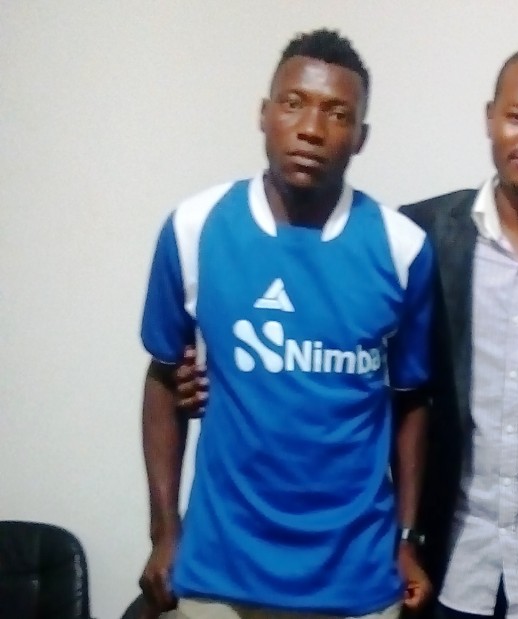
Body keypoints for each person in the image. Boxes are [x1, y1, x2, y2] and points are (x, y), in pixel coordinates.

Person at [177, 41, 518, 619]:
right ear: (489, 117)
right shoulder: (420, 237)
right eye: (517, 116)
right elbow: (351, 355)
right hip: (451, 561)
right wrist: (214, 374)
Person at [137, 29, 433, 619]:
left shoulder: (403, 249)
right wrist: (164, 530)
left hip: (355, 578)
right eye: (294, 103)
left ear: (361, 137)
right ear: (264, 113)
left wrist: (406, 538)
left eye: (337, 113)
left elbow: (411, 402)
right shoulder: (195, 228)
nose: (311, 129)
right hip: (219, 572)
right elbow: (164, 377)